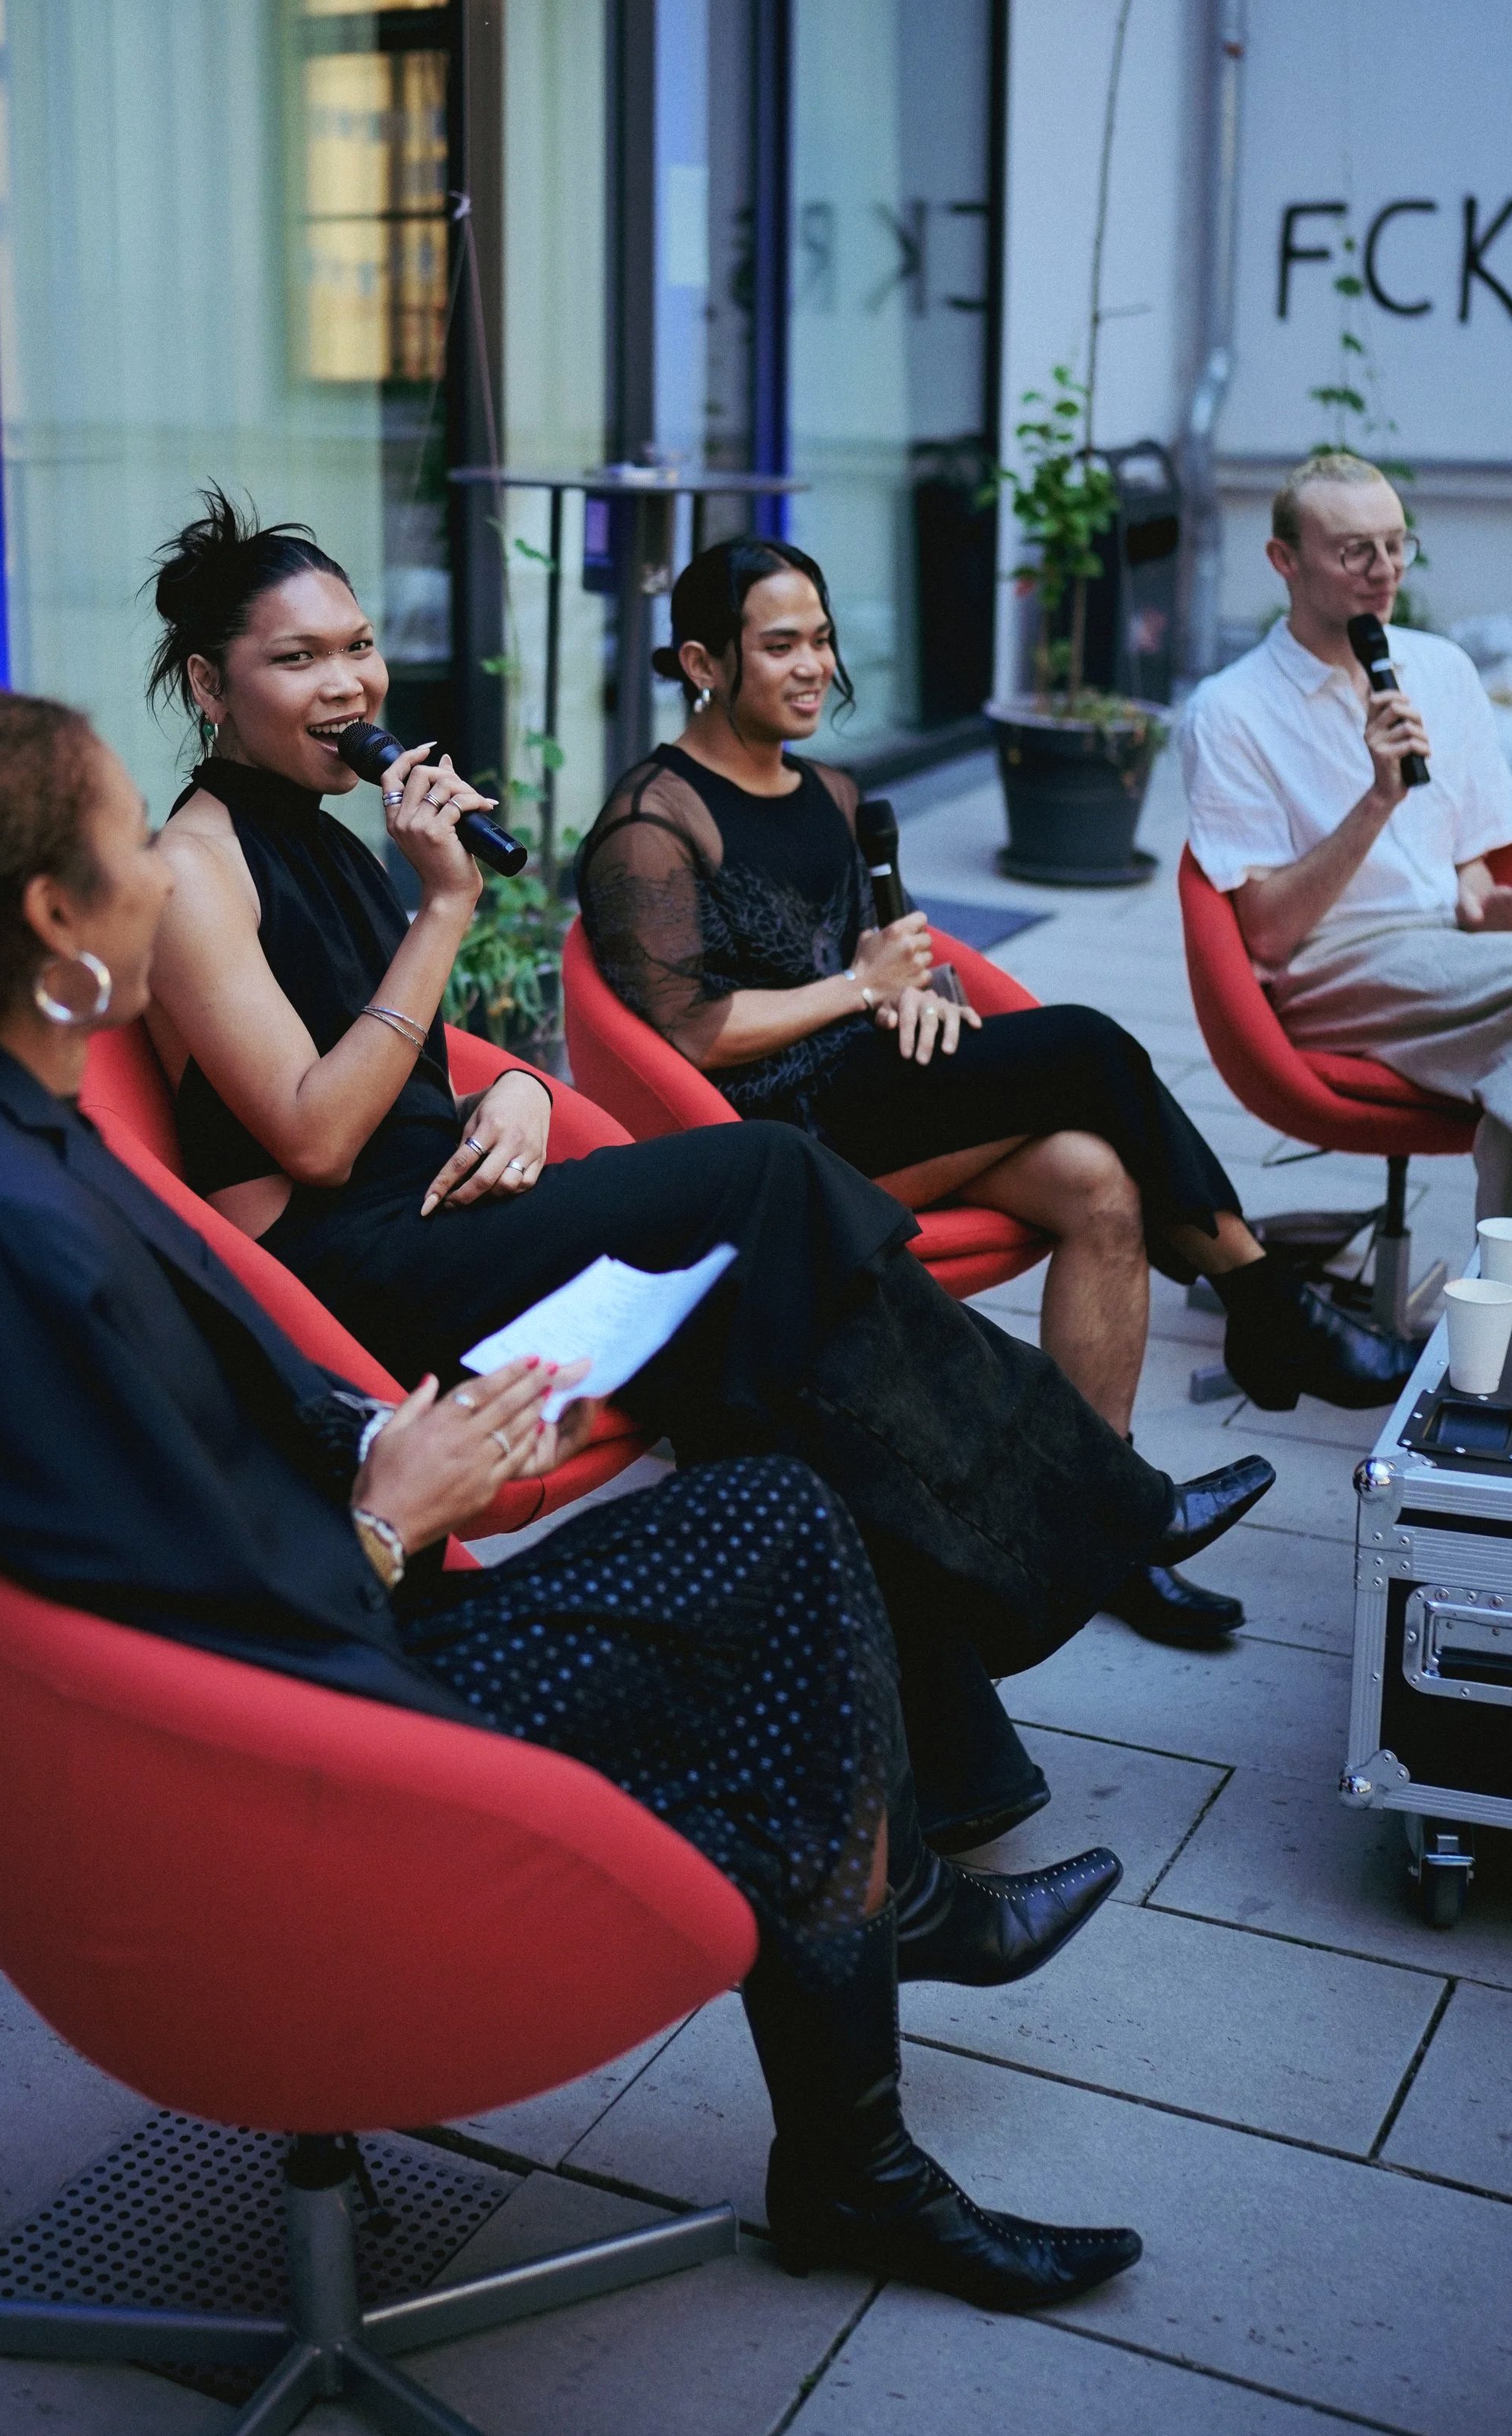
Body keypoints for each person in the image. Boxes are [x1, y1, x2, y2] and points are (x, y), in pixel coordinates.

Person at [0, 638, 1147, 2313]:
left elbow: (192, 1417)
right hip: (293, 1755)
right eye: (130, 844)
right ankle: (860, 2091)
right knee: (779, 1565)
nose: (168, 865)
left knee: (770, 1508)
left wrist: (377, 1436)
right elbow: (184, 1636)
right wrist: (388, 1515)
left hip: (303, 1626)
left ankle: (876, 1951)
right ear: (60, 919)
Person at [143, 489, 1272, 1858]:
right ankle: (1100, 1509)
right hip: (356, 1273)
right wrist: (445, 906)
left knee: (772, 1371)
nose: (350, 683)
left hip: (447, 1209)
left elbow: (403, 1047)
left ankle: (944, 1795)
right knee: (764, 1176)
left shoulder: (320, 826)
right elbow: (316, 1134)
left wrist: (501, 1084)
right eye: (298, 658)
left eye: (359, 645)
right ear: (210, 683)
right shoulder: (193, 869)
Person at [574, 535, 1414, 1649]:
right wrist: (856, 990)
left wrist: (918, 991)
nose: (814, 663)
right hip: (773, 1141)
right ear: (703, 661)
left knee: (1099, 1178)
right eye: (780, 645)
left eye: (822, 637)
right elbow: (692, 1031)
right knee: (1088, 1048)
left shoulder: (829, 787)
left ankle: (1107, 1528)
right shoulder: (653, 821)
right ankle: (1264, 1307)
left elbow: (895, 949)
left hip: (874, 1077)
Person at [1180, 451, 1512, 1225]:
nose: (1384, 569)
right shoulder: (1229, 710)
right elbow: (1264, 931)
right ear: (1283, 561)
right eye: (1354, 549)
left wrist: (1482, 902)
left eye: (1397, 543)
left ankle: (1492, 1324)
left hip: (1455, 955)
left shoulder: (1443, 667)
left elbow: (1468, 864)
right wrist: (1376, 800)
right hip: (1332, 968)